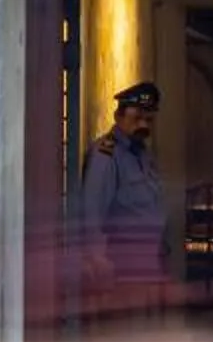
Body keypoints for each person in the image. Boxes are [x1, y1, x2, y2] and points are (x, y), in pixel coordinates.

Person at [68, 81, 170, 313]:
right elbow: (93, 209)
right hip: (121, 264)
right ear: (119, 116)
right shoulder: (107, 155)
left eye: (149, 119)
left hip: (146, 262)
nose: (143, 124)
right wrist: (97, 259)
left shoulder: (142, 155)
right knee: (122, 334)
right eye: (137, 118)